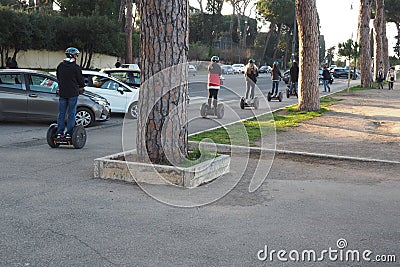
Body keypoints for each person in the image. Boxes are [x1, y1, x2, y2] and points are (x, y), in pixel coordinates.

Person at [56, 47, 85, 140]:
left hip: (62, 93)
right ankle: (69, 133)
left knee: (61, 113)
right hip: (73, 93)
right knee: (71, 113)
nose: (77, 57)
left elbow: (58, 78)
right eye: (76, 55)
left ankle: (59, 133)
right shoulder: (76, 67)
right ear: (74, 56)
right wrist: (81, 86)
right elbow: (81, 81)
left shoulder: (60, 66)